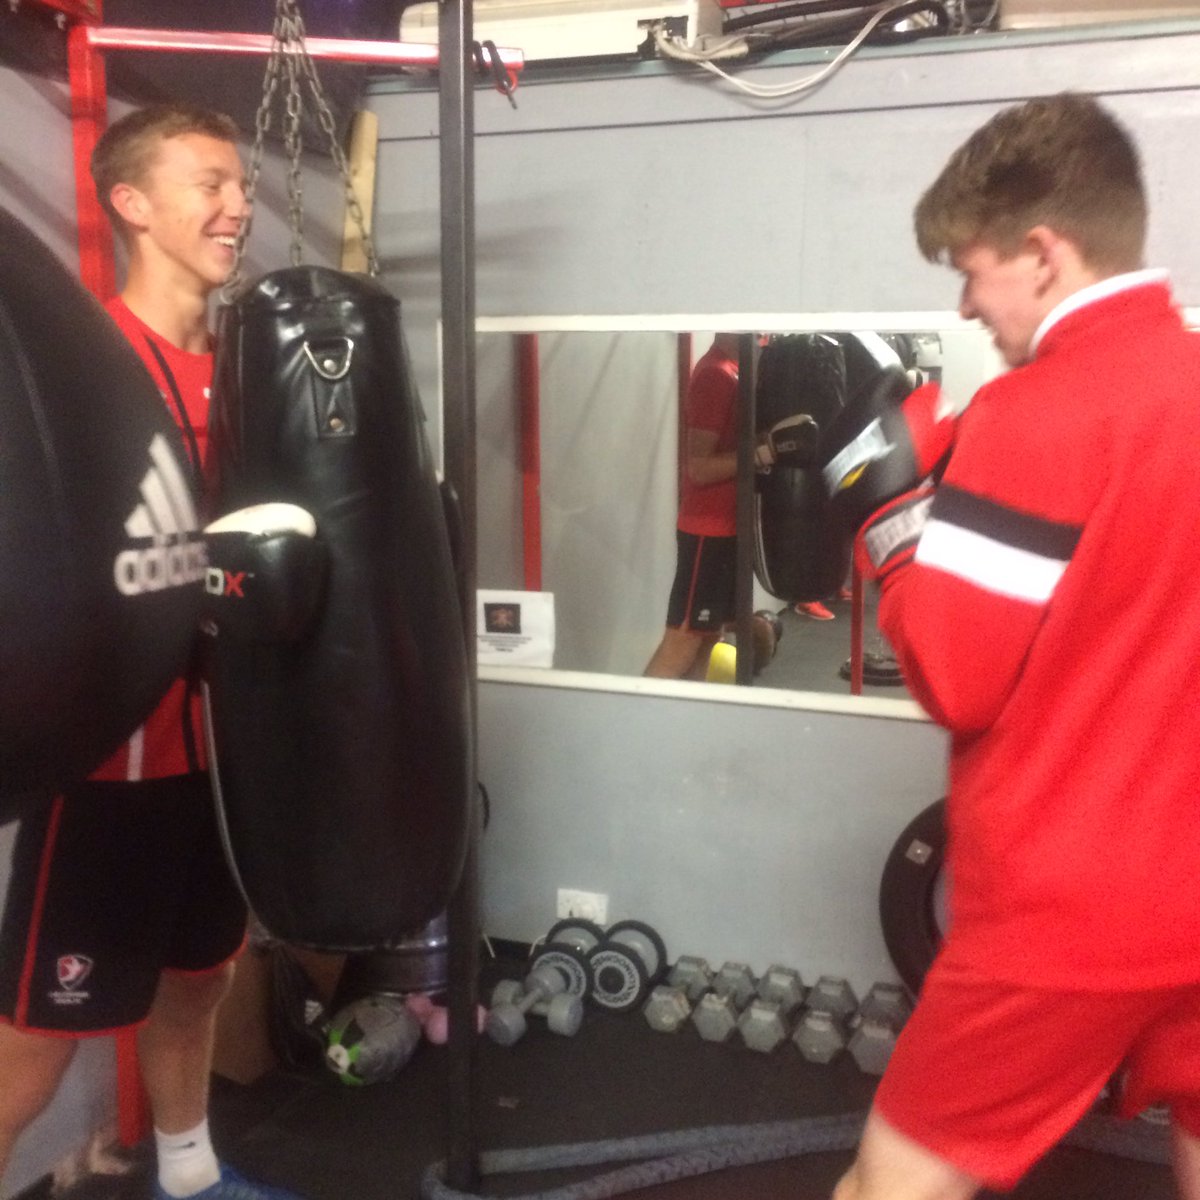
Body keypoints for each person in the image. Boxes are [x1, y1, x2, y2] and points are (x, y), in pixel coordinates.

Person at [834, 92, 1200, 1199]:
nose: (967, 300)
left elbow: (955, 677)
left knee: (886, 1188)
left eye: (971, 266)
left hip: (1067, 910)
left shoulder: (1032, 414)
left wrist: (895, 530)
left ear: (1043, 254)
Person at [0, 105, 306, 1200]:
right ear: (130, 204)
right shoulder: (85, 381)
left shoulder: (251, 378)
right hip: (107, 777)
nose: (238, 206)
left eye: (241, 185)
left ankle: (190, 1175)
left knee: (199, 982)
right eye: (209, 184)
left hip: (221, 770)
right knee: (42, 1032)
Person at [644, 332, 742, 679]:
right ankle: (635, 728)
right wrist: (760, 452)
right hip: (707, 532)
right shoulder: (715, 374)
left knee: (706, 639)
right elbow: (698, 468)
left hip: (727, 528)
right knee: (682, 642)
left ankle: (682, 725)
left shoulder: (734, 369)